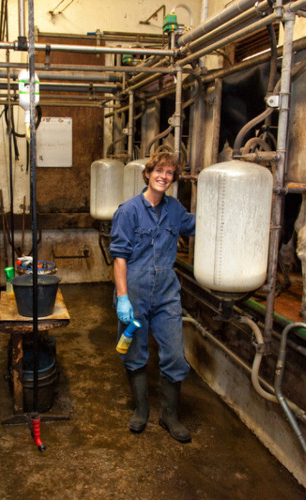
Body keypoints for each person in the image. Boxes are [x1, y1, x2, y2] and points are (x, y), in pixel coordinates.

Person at [109, 152, 195, 443]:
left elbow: (200, 226)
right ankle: (142, 409)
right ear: (148, 174)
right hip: (134, 290)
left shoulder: (175, 210)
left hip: (167, 292)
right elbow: (119, 258)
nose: (164, 177)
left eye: (170, 173)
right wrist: (123, 298)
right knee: (135, 352)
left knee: (173, 352)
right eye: (159, 170)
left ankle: (169, 415)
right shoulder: (128, 211)